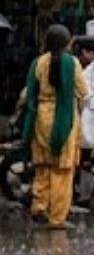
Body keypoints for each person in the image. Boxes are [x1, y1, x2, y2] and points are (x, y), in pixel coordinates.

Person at [17, 24, 88, 228]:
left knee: (43, 166)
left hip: (41, 118)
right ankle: (57, 218)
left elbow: (28, 93)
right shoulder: (72, 63)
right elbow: (83, 91)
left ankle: (39, 207)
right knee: (62, 171)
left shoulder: (38, 63)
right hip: (64, 119)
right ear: (66, 43)